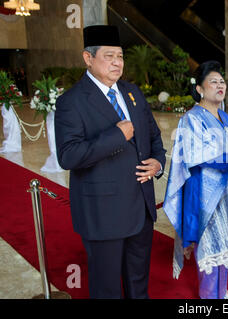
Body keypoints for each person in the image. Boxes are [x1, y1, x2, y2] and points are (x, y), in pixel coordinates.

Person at [55, 25, 166, 299]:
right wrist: (116, 135)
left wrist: (158, 162)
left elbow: (153, 135)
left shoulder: (132, 92)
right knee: (107, 288)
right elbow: (68, 155)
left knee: (138, 281)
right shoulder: (72, 101)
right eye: (109, 56)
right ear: (88, 58)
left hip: (140, 207)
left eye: (120, 56)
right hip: (103, 212)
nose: (118, 62)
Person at [163, 61, 228, 299]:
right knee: (209, 249)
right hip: (205, 193)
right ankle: (209, 297)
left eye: (222, 82)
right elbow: (199, 154)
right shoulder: (192, 119)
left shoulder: (225, 117)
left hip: (227, 192)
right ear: (199, 89)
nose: (220, 86)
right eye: (213, 82)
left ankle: (221, 291)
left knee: (224, 247)